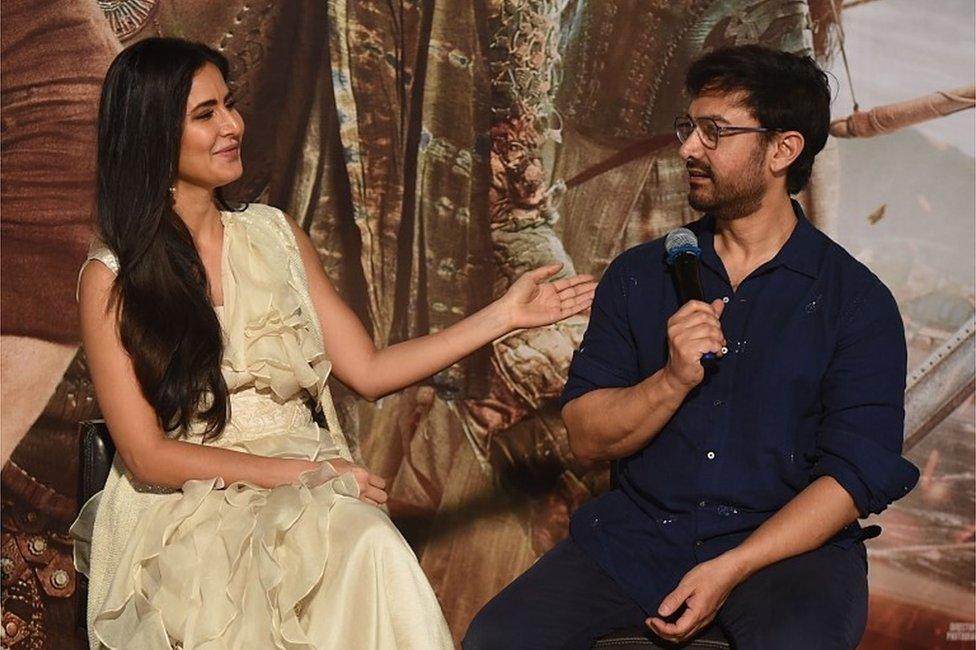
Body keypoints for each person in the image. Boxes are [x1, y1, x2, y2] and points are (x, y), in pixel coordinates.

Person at [70, 37, 595, 649]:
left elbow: (369, 370)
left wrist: (502, 316)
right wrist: (302, 473)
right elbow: (146, 455)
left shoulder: (274, 234)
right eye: (205, 114)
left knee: (369, 545)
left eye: (230, 105)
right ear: (153, 132)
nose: (233, 124)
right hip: (189, 507)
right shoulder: (111, 276)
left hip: (315, 483)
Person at [464, 45, 919, 650]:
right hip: (637, 537)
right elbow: (586, 436)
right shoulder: (638, 276)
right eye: (689, 127)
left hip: (787, 554)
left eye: (714, 131)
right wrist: (671, 379)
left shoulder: (857, 302)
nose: (687, 148)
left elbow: (853, 475)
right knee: (496, 639)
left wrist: (732, 567)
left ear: (783, 150)